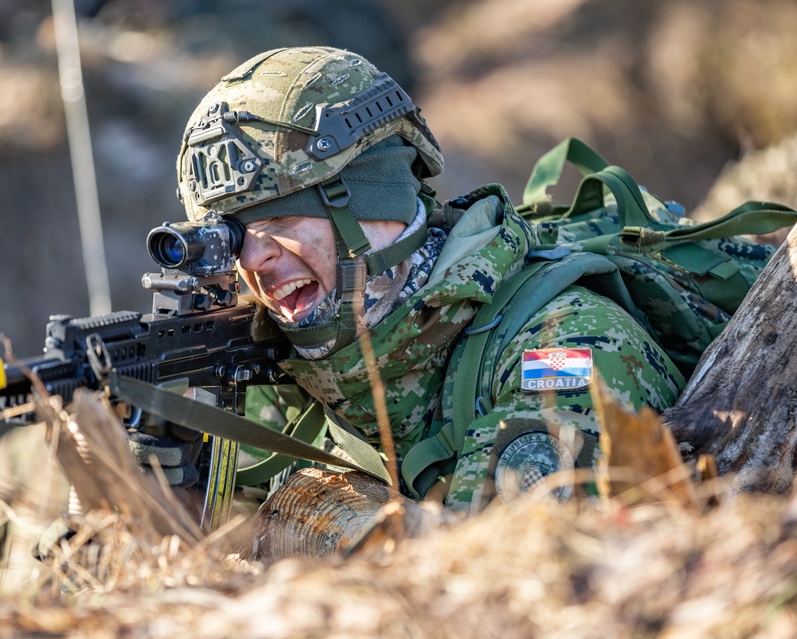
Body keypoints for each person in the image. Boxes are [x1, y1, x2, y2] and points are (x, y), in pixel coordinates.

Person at [139, 45, 685, 514]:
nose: (252, 263)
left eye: (278, 222)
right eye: (232, 239)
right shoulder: (278, 373)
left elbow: (511, 564)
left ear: (375, 205)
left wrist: (317, 522)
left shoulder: (564, 345)